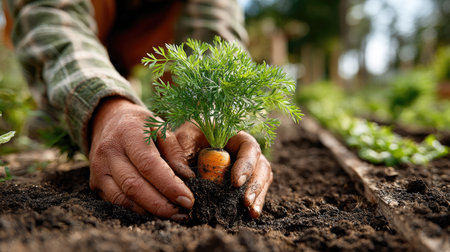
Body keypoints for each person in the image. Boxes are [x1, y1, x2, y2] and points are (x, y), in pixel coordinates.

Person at [2, 0, 273, 221]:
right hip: (85, 17)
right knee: (55, 127)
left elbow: (216, 32)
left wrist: (212, 110)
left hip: (152, 24)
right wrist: (104, 107)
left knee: (156, 142)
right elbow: (51, 19)